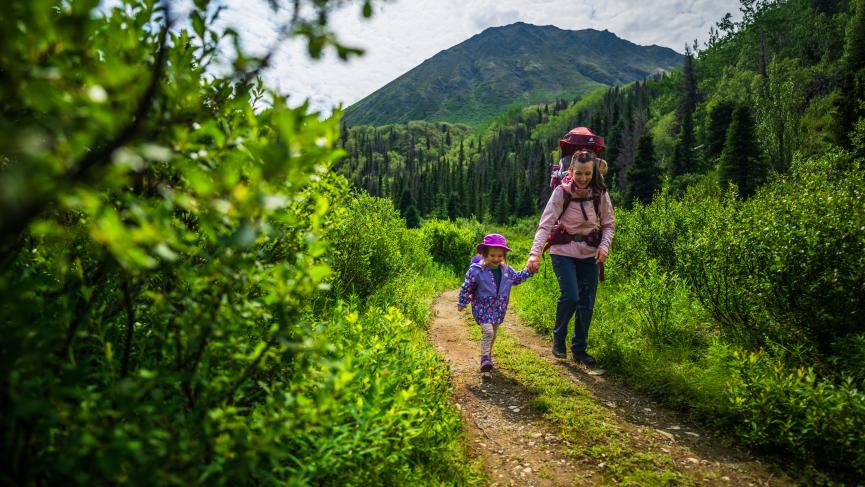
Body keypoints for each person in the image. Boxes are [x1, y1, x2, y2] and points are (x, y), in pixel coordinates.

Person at [525, 148, 615, 365]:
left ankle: (579, 349)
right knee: (572, 295)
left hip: (590, 252)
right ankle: (558, 337)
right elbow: (545, 224)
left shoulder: (600, 193)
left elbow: (609, 224)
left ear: (594, 173)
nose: (583, 178)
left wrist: (604, 246)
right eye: (579, 173)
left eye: (588, 174)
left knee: (587, 302)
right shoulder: (561, 192)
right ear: (571, 171)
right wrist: (534, 254)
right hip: (563, 250)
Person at [458, 234, 534, 372]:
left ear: (504, 256)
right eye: (492, 255)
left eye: (500, 256)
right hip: (482, 307)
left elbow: (516, 279)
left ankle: (488, 355)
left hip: (498, 308)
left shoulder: (506, 270)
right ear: (485, 254)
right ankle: (484, 358)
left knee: (493, 332)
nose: (496, 259)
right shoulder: (477, 270)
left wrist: (529, 271)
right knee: (488, 331)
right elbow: (467, 286)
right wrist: (462, 302)